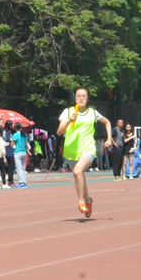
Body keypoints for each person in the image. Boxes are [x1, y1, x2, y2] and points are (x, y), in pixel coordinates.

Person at [57, 88, 112, 217]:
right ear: (75, 98)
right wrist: (69, 120)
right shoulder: (68, 112)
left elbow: (107, 122)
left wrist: (109, 138)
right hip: (71, 150)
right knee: (78, 175)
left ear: (87, 98)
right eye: (78, 96)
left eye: (84, 96)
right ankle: (88, 200)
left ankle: (81, 200)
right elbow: (59, 132)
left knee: (77, 171)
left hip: (88, 148)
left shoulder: (92, 112)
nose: (81, 98)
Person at [12, 122, 29, 188]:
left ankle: (21, 183)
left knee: (19, 168)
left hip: (17, 153)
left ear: (15, 128)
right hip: (24, 153)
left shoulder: (15, 135)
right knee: (23, 168)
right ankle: (24, 182)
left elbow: (12, 145)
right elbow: (26, 145)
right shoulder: (24, 134)